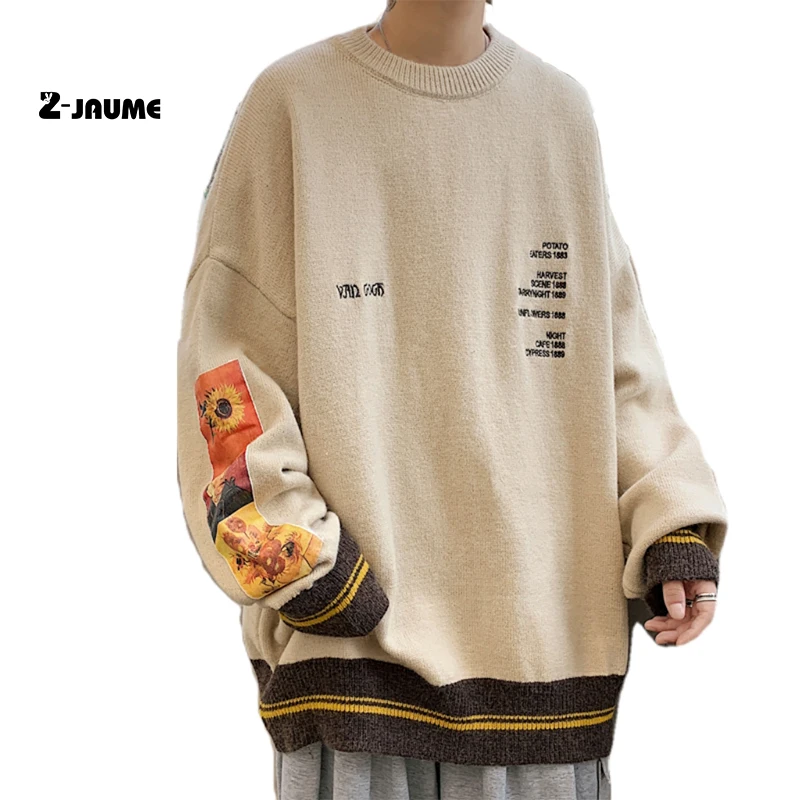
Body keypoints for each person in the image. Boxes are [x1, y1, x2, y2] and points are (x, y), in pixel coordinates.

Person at [175, 2, 728, 798]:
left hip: (548, 670)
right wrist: (304, 566)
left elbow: (617, 354)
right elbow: (224, 367)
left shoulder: (559, 115)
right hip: (354, 666)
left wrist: (670, 524)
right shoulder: (292, 104)